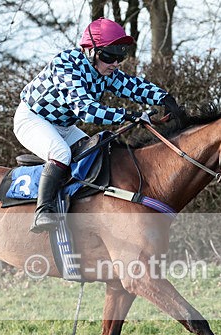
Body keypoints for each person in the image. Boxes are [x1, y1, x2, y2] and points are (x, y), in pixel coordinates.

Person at [14, 17, 184, 232]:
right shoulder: (65, 65)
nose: (115, 63)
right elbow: (85, 110)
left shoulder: (104, 71)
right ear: (90, 51)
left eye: (120, 57)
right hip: (32, 119)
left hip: (63, 126)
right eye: (109, 56)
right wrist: (128, 115)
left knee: (93, 155)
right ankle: (43, 212)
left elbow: (132, 85)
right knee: (61, 154)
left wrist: (164, 98)